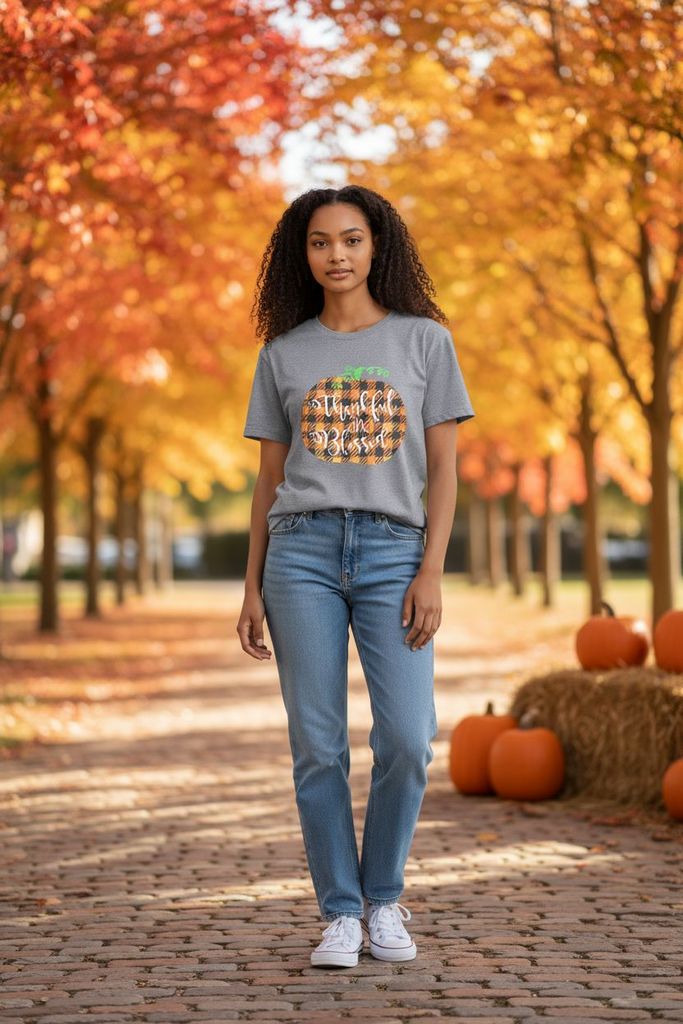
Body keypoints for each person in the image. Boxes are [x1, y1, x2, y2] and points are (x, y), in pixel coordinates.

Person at [237, 184, 475, 969]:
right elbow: (269, 481)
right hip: (299, 553)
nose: (335, 255)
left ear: (377, 247)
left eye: (350, 239)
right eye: (318, 242)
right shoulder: (283, 353)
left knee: (408, 737)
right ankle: (341, 911)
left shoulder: (424, 344)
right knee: (317, 745)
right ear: (299, 256)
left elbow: (442, 468)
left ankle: (384, 899)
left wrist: (431, 568)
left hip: (392, 554)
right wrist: (251, 587)